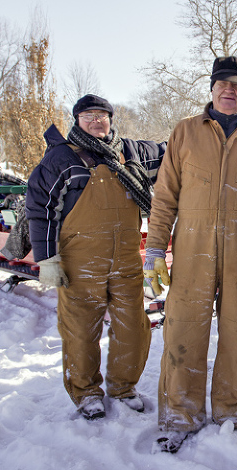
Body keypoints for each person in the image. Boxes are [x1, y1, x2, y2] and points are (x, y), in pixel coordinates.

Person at [143, 56, 237, 453]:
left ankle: (232, 414)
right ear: (212, 88)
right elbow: (164, 197)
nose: (230, 91)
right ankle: (180, 414)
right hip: (193, 251)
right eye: (223, 84)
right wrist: (155, 248)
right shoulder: (185, 133)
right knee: (183, 331)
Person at [26, 94, 166, 420]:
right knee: (80, 330)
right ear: (77, 120)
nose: (96, 121)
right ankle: (86, 391)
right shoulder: (61, 158)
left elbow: (173, 152)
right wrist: (48, 260)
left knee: (134, 326)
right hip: (80, 262)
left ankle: (123, 386)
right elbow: (40, 208)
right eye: (88, 116)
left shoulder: (130, 152)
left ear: (110, 119)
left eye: (102, 115)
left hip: (127, 259)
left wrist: (208, 128)